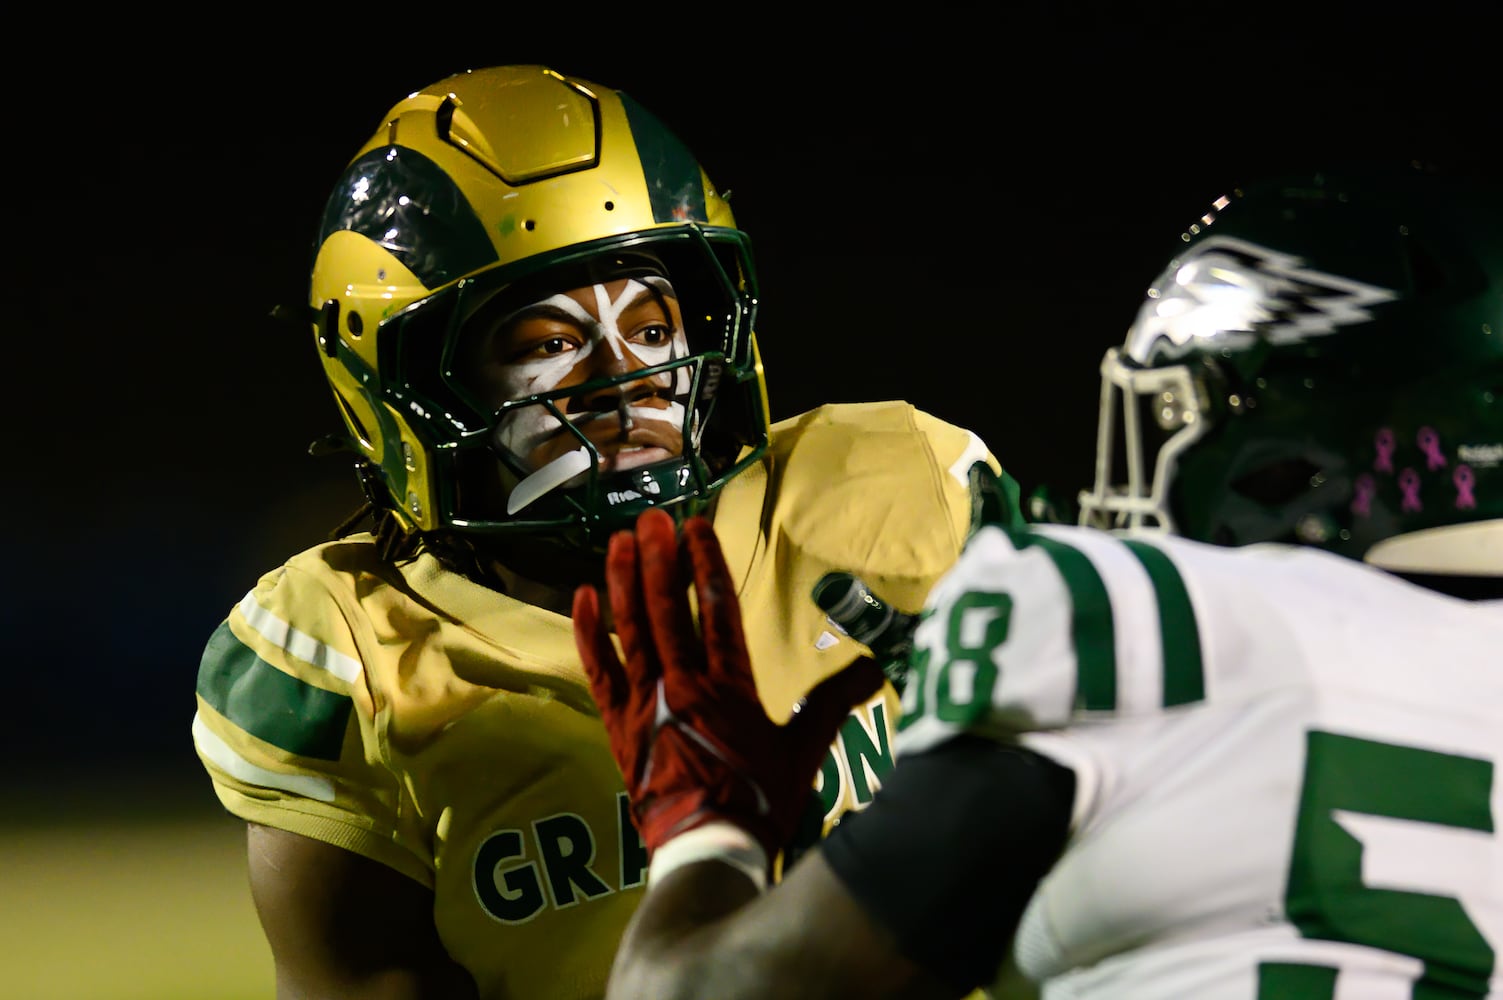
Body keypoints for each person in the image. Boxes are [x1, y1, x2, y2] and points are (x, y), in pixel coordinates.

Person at [189, 63, 1022, 999]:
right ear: (411, 391)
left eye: (652, 322)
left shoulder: (894, 487)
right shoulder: (362, 663)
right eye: (548, 343)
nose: (624, 376)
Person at [572, 162, 1503, 999]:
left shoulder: (1126, 620)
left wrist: (708, 827)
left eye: (1161, 418)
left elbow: (690, 994)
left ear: (1282, 449)